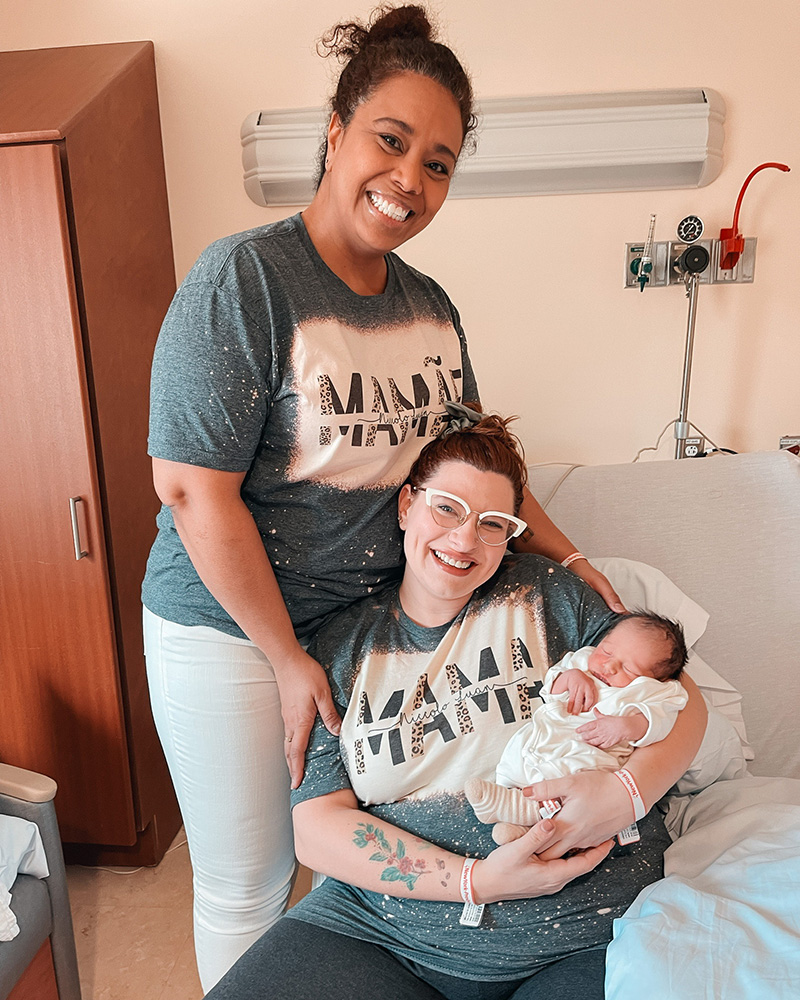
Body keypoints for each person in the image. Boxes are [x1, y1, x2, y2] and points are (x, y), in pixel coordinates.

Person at [141, 4, 622, 989]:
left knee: (351, 870)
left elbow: (481, 467)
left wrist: (572, 564)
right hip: (230, 629)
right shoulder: (246, 278)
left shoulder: (427, 307)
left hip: (361, 628)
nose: (408, 180)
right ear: (335, 130)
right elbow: (193, 490)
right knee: (250, 879)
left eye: (437, 163)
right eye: (389, 141)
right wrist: (281, 656)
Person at [204, 406, 707, 1000]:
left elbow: (679, 699)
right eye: (446, 508)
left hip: (584, 930)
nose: (465, 539)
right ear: (405, 505)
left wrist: (627, 794)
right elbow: (316, 829)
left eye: (492, 523)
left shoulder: (546, 595)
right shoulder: (343, 647)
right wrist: (476, 881)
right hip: (379, 931)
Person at [465, 613, 689, 840]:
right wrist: (570, 677)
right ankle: (515, 818)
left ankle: (521, 812)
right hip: (546, 734)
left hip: (590, 750)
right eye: (606, 651)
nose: (609, 665)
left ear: (657, 680)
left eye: (629, 669)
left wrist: (627, 726)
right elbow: (549, 691)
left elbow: (660, 720)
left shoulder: (657, 691)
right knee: (516, 755)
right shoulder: (582, 661)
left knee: (573, 773)